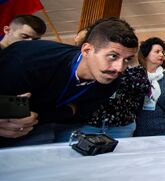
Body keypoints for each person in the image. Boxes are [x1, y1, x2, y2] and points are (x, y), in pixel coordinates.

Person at [0, 18, 138, 146]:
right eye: (113, 56)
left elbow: (80, 114)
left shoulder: (111, 81)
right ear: (87, 50)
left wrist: (37, 116)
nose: (119, 68)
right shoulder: (29, 61)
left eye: (127, 59)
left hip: (38, 127)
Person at [134, 37, 165, 136]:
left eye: (163, 52)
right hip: (139, 132)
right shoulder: (136, 76)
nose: (161, 54)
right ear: (146, 54)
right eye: (157, 51)